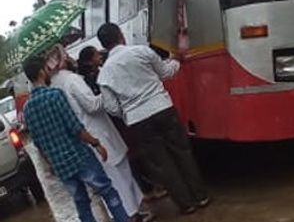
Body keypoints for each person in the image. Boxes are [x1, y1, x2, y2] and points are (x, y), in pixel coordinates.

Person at [96, 23, 209, 215]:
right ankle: (201, 196)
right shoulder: (141, 51)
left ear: (104, 46)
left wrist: (128, 113)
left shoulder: (104, 74)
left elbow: (111, 107)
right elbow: (166, 72)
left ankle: (186, 204)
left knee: (162, 164)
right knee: (182, 152)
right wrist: (176, 60)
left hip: (138, 121)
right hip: (162, 108)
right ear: (121, 36)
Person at [47, 45, 154, 222]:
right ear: (60, 60)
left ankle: (131, 212)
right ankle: (131, 214)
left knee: (114, 174)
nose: (69, 58)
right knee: (118, 174)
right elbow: (92, 105)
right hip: (98, 133)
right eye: (65, 56)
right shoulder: (71, 80)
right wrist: (107, 90)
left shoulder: (54, 85)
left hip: (89, 135)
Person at [22, 55, 130, 222]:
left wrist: (51, 165)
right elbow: (75, 128)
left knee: (82, 203)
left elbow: (38, 144)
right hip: (79, 156)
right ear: (42, 72)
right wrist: (96, 143)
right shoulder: (55, 95)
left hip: (61, 166)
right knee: (107, 191)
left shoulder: (27, 109)